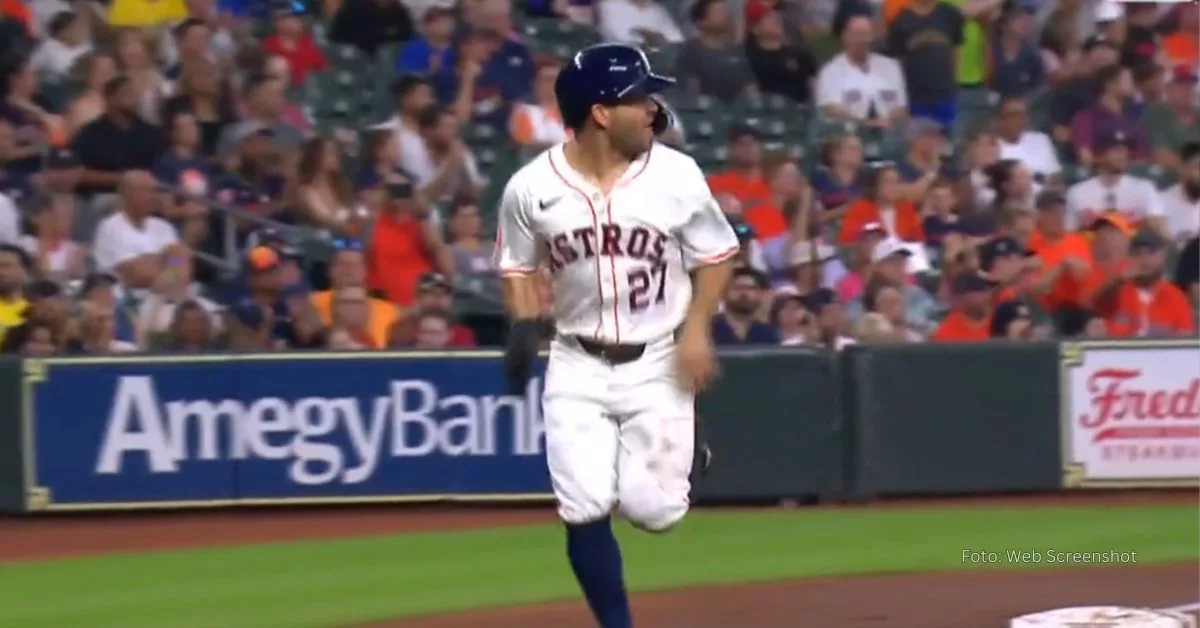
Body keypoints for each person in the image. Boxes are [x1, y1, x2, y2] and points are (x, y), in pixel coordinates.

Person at [495, 44, 736, 628]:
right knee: (583, 508)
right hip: (576, 362)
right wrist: (524, 320)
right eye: (639, 98)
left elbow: (717, 254)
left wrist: (697, 332)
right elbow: (517, 265)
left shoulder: (675, 175)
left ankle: (689, 442)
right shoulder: (530, 188)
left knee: (654, 512)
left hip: (657, 359)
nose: (653, 109)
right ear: (601, 112)